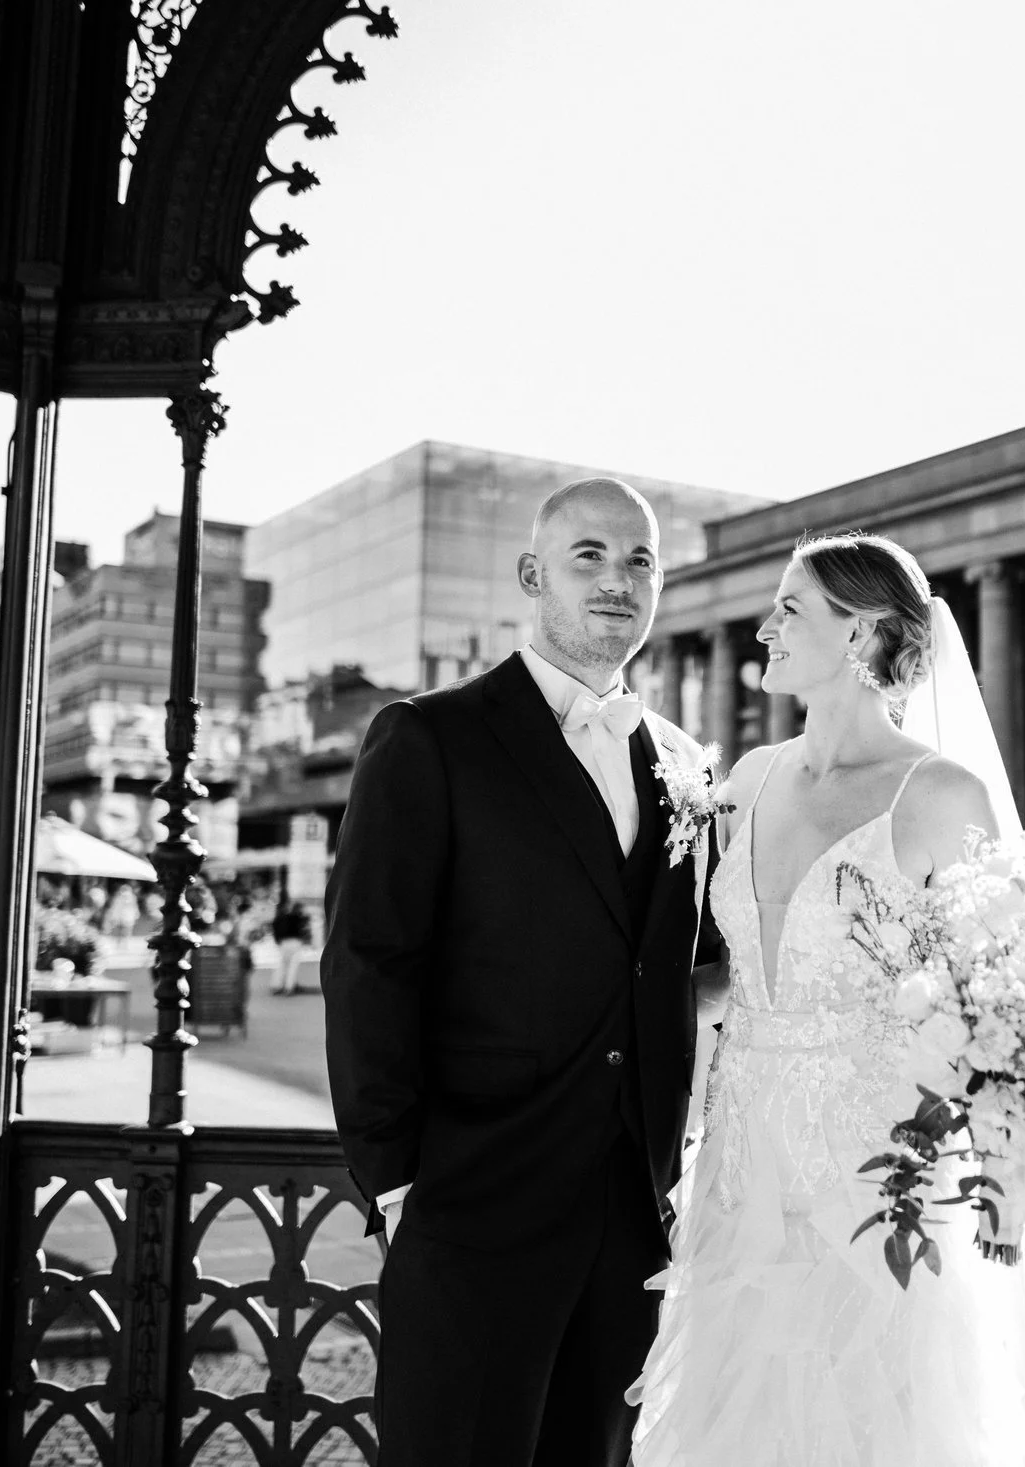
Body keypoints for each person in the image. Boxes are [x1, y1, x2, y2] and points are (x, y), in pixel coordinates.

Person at [629, 533, 1025, 1466]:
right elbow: (740, 976)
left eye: (790, 608)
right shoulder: (748, 781)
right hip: (741, 1171)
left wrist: (1012, 1172)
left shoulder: (940, 795)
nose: (765, 627)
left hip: (882, 1181)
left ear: (860, 635)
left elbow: (1010, 1012)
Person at [323, 478, 720, 1467]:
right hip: (472, 1203)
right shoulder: (429, 735)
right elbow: (370, 962)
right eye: (590, 554)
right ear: (532, 575)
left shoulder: (679, 760)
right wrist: (397, 1179)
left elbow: (684, 968)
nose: (620, 578)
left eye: (642, 560)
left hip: (634, 1219)